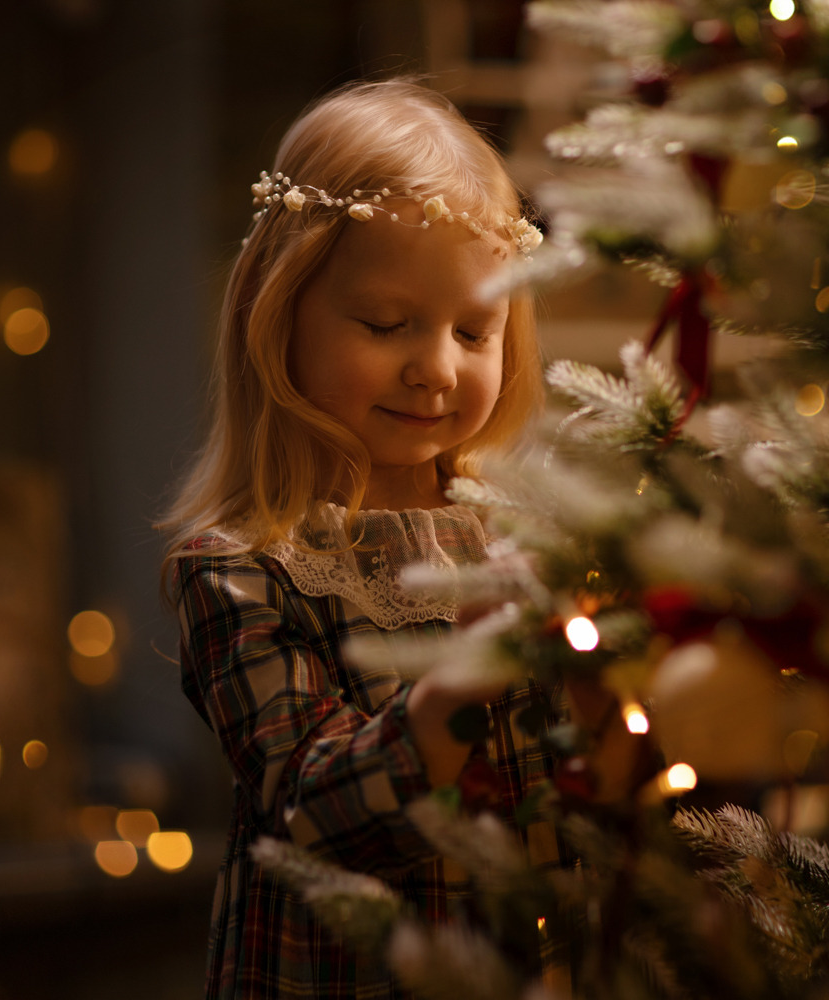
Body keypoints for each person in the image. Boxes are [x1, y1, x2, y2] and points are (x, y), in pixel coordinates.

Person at [160, 79, 554, 999]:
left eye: (475, 331)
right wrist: (456, 689)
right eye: (385, 324)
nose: (437, 368)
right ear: (278, 312)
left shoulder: (520, 536)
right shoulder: (240, 570)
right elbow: (317, 808)